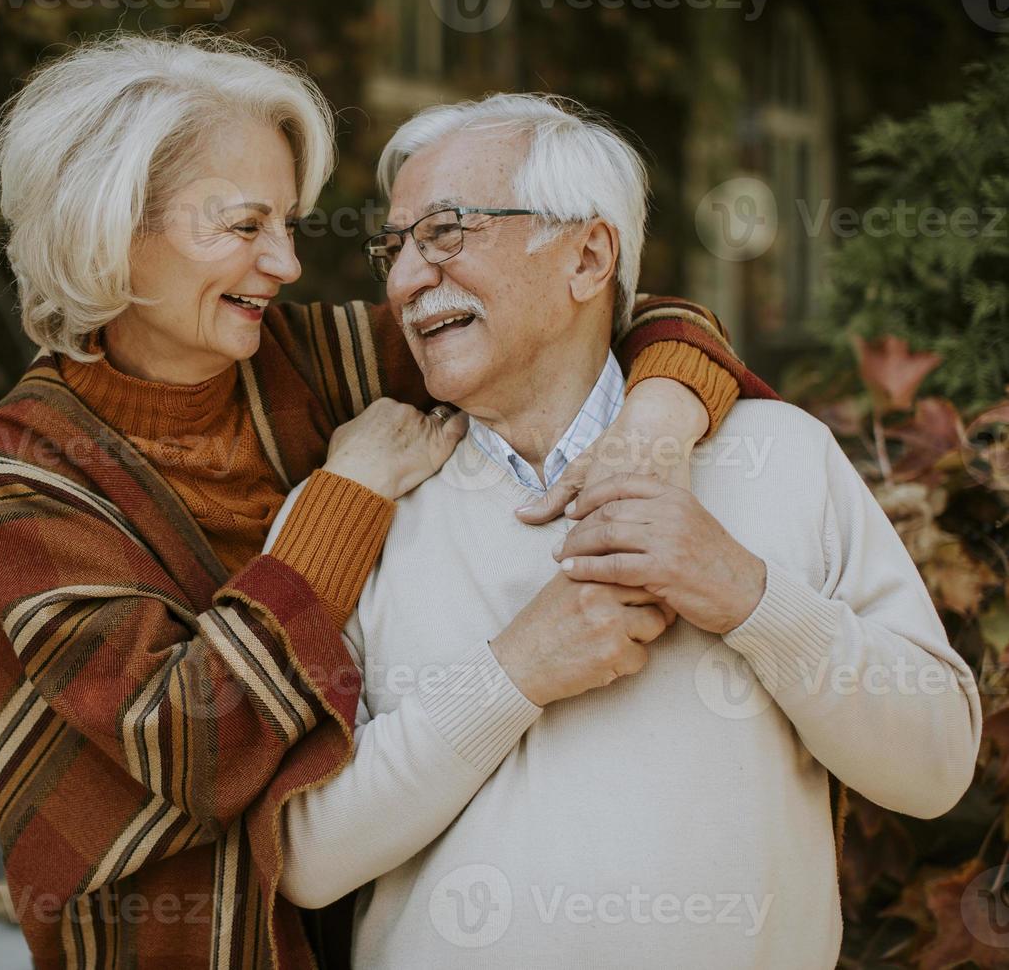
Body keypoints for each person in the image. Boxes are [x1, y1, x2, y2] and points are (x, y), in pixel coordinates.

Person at [0, 32, 772, 969]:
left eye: (288, 225)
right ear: (112, 227)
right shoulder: (14, 466)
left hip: (370, 908)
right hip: (183, 943)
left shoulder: (308, 360)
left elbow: (600, 307)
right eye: (245, 227)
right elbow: (193, 742)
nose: (288, 265)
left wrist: (648, 435)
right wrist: (345, 494)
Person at [271, 92, 982, 969]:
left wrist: (746, 595)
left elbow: (938, 767)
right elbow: (303, 853)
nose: (406, 279)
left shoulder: (779, 455)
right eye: (395, 246)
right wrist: (516, 672)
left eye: (446, 232)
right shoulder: (356, 504)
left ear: (587, 255)